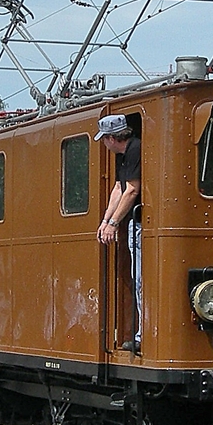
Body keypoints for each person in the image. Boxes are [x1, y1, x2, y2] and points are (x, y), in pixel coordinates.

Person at [95, 113, 142, 354]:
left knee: (141, 281)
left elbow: (133, 190)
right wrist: (106, 220)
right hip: (132, 225)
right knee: (137, 278)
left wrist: (114, 223)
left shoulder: (135, 150)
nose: (103, 143)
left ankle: (142, 335)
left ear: (112, 138)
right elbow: (118, 188)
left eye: (104, 139)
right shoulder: (122, 156)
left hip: (141, 224)